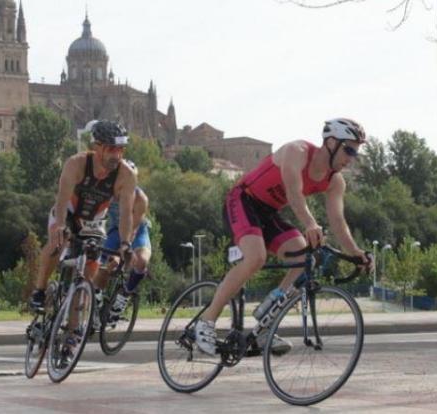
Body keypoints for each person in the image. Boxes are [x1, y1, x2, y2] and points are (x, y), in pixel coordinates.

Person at [194, 118, 372, 356]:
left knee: (305, 260)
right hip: (243, 200)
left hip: (268, 213)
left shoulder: (335, 181)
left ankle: (267, 322)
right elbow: (293, 192)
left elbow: (339, 223)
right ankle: (206, 322)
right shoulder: (296, 151)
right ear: (331, 142)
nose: (351, 157)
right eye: (349, 149)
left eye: (356, 153)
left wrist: (356, 253)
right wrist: (309, 223)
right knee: (255, 257)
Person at [29, 119, 137, 310]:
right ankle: (40, 290)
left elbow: (126, 213)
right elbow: (61, 200)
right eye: (112, 149)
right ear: (98, 147)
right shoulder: (76, 164)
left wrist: (125, 243)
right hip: (69, 212)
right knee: (57, 243)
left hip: (94, 220)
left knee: (89, 271)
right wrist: (60, 226)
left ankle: (73, 333)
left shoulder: (126, 175)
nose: (117, 155)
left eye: (121, 150)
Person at [93, 168, 152, 321]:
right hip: (114, 231)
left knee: (141, 261)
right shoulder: (108, 193)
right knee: (105, 265)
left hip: (137, 232)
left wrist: (125, 247)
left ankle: (125, 295)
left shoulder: (140, 198)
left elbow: (134, 227)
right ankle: (97, 297)